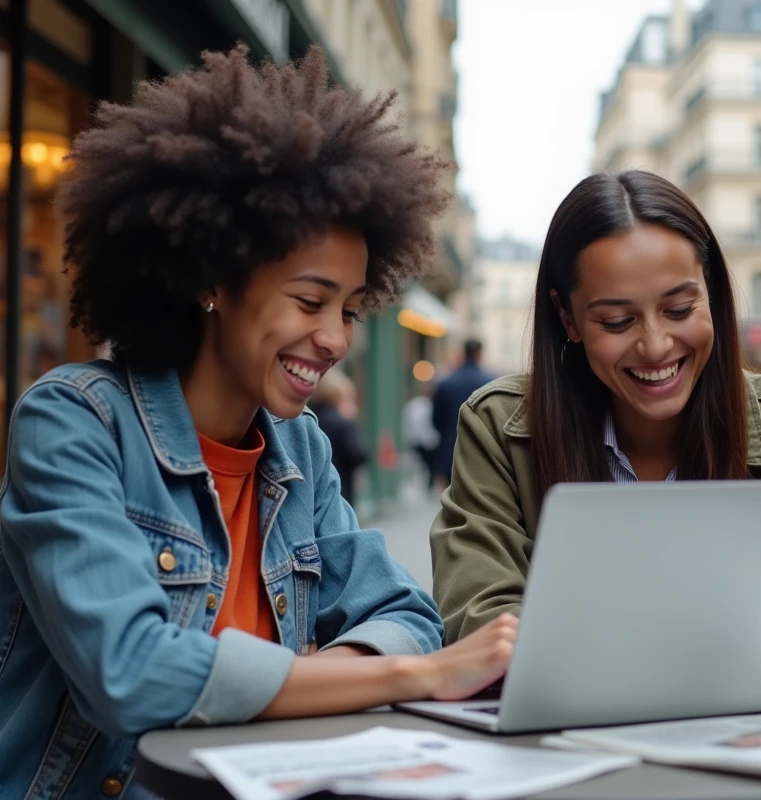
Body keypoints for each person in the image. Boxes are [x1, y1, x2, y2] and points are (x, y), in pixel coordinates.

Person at [0, 45, 516, 800]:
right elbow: (132, 673)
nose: (337, 339)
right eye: (310, 302)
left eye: (348, 309)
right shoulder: (74, 421)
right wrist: (409, 676)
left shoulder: (298, 447)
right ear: (213, 279)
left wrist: (293, 675)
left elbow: (405, 611)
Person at [431, 170, 761, 644]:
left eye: (680, 310)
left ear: (712, 294)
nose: (656, 346)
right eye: (618, 321)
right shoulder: (498, 427)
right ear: (567, 318)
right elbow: (479, 618)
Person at [431, 339, 492, 488]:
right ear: (479, 354)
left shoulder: (446, 383)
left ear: (464, 354)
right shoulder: (489, 383)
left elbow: (436, 420)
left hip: (450, 451)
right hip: (481, 453)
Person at [309, 368, 369, 507]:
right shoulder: (341, 423)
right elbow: (359, 454)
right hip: (340, 492)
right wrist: (352, 423)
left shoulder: (309, 417)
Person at [404, 380, 440, 493]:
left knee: (431, 466)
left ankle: (430, 483)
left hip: (432, 442)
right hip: (419, 442)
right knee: (422, 466)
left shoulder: (434, 403)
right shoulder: (414, 405)